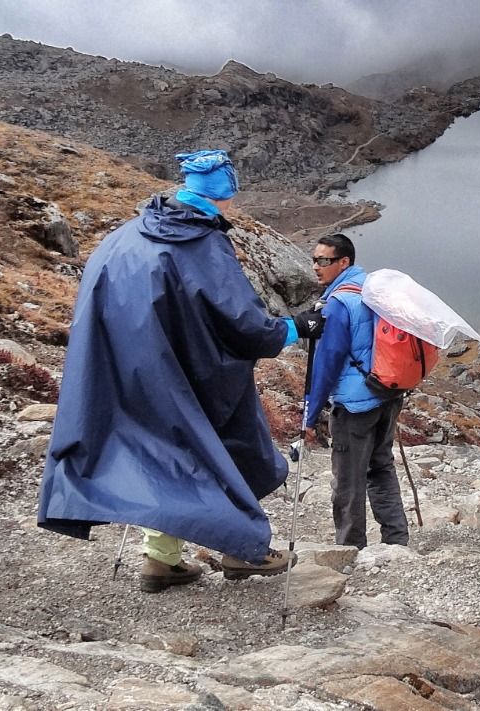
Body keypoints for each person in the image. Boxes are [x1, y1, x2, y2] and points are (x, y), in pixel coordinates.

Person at [37, 149, 326, 592]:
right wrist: (295, 327)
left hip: (120, 371)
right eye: (230, 197)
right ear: (221, 196)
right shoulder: (200, 244)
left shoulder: (125, 236)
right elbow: (244, 326)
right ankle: (242, 550)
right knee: (227, 445)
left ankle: (161, 560)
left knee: (159, 455)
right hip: (186, 373)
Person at [303, 233, 410, 549]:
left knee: (349, 478)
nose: (316, 266)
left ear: (343, 262)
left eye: (323, 260)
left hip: (355, 406)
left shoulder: (339, 303)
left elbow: (328, 362)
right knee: (381, 467)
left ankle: (350, 548)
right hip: (387, 393)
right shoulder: (372, 288)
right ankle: (396, 540)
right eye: (314, 259)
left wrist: (310, 414)